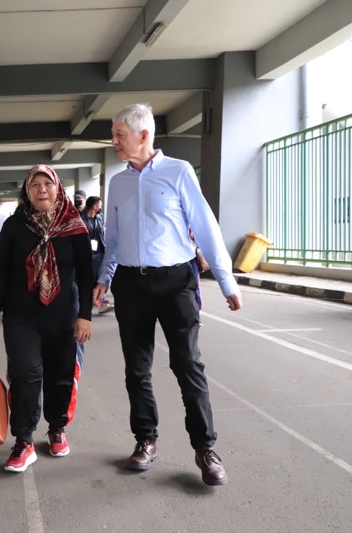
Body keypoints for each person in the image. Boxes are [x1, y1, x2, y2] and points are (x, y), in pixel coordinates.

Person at [92, 103, 242, 487]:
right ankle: (146, 440)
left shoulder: (178, 172)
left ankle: (205, 448)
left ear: (143, 136)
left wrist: (227, 282)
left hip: (176, 283)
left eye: (119, 135)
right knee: (136, 369)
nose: (114, 142)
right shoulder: (119, 183)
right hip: (131, 285)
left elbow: (204, 226)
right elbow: (113, 239)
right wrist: (105, 278)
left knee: (187, 365)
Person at [0, 164, 93, 473]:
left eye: (47, 183)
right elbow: (1, 272)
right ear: (26, 192)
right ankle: (24, 439)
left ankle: (56, 428)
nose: (41, 189)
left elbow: (86, 274)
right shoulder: (15, 226)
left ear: (58, 188)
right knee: (25, 374)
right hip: (21, 317)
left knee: (60, 374)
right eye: (34, 185)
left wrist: (85, 316)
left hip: (64, 316)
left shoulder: (74, 225)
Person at [81, 196, 113, 314]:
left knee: (100, 277)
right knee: (88, 278)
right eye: (99, 204)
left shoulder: (99, 218)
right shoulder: (81, 219)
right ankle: (91, 301)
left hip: (99, 252)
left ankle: (101, 301)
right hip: (86, 253)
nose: (101, 206)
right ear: (94, 205)